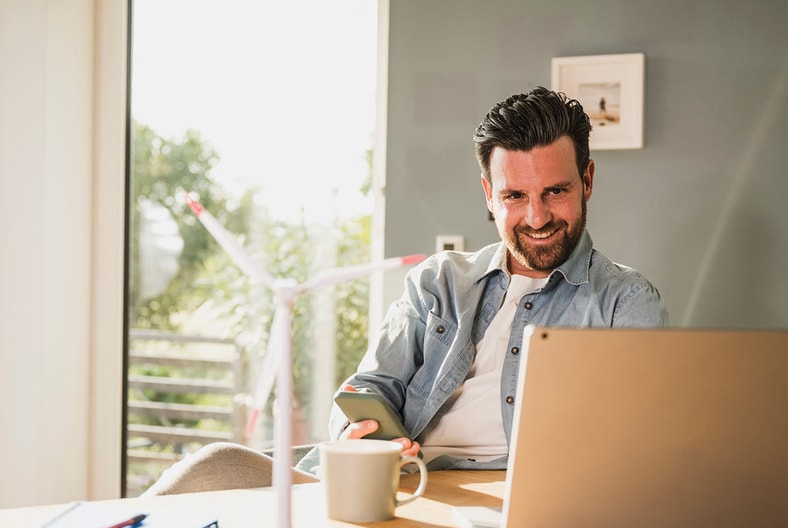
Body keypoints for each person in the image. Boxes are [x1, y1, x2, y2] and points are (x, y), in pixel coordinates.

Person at [142, 86, 667, 494]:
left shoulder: (624, 302)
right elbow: (367, 388)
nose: (536, 216)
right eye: (514, 196)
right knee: (210, 469)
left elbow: (638, 454)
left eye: (556, 191)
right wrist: (359, 436)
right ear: (489, 193)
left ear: (588, 180)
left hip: (502, 502)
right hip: (385, 485)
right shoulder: (440, 282)